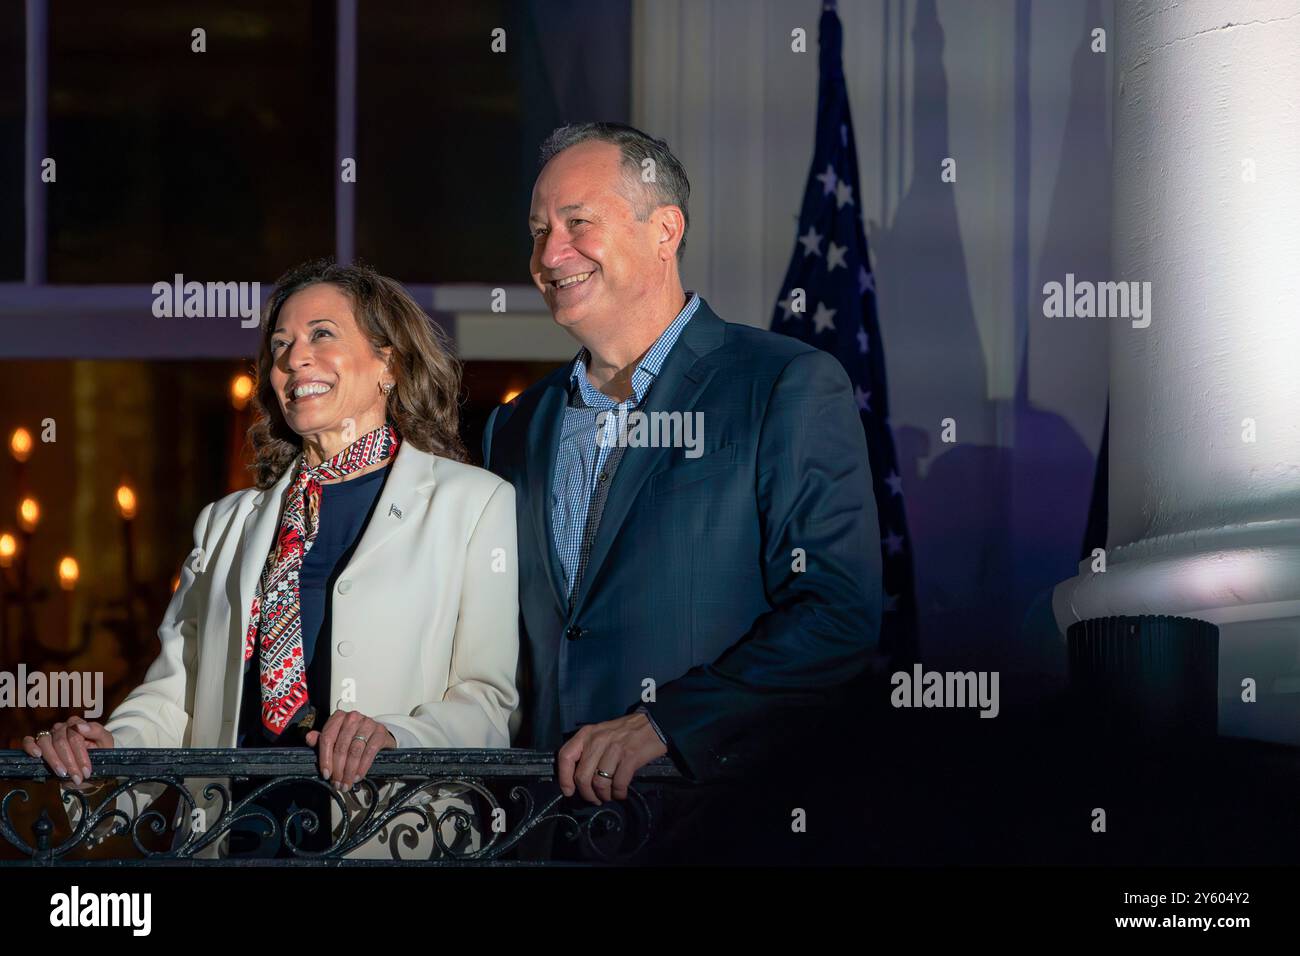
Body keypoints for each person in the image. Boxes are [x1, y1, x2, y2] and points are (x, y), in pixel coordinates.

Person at [23, 259, 519, 859]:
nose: (294, 358)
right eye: (281, 344)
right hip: (235, 836)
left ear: (388, 362)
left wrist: (396, 736)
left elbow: (488, 700)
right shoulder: (226, 520)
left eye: (322, 335)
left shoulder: (473, 502)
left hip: (390, 833)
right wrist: (107, 747)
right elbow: (176, 695)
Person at [483, 123, 882, 861]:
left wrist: (664, 724)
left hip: (714, 828)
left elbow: (838, 613)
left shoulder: (781, 384)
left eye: (578, 224)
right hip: (540, 835)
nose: (548, 255)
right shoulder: (515, 426)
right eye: (539, 231)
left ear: (664, 230)